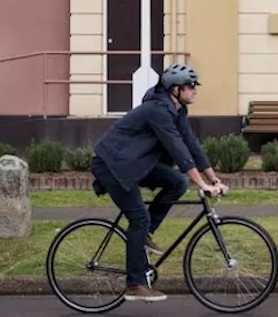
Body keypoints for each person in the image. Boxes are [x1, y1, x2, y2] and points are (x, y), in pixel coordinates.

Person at [90, 63, 228, 303]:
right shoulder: (158, 110)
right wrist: (201, 184)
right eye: (190, 86)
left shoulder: (178, 111)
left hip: (135, 163)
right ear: (175, 90)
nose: (195, 90)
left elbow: (191, 146)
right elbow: (177, 149)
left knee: (176, 182)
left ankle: (145, 234)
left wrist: (213, 179)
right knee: (138, 218)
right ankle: (135, 283)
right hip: (113, 165)